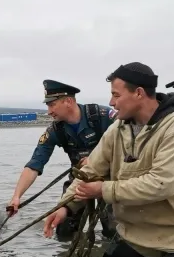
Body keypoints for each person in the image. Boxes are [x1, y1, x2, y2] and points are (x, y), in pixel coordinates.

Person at [43, 62, 174, 257]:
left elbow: (161, 185)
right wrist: (65, 207)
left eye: (116, 95)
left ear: (139, 93)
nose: (112, 102)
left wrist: (102, 190)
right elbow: (90, 172)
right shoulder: (118, 128)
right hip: (136, 231)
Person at [8, 80, 116, 240]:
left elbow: (132, 147)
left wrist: (97, 159)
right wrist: (16, 196)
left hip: (111, 179)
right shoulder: (54, 130)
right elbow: (34, 165)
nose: (49, 111)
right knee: (63, 228)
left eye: (52, 105)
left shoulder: (103, 116)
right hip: (79, 179)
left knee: (115, 231)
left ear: (69, 101)